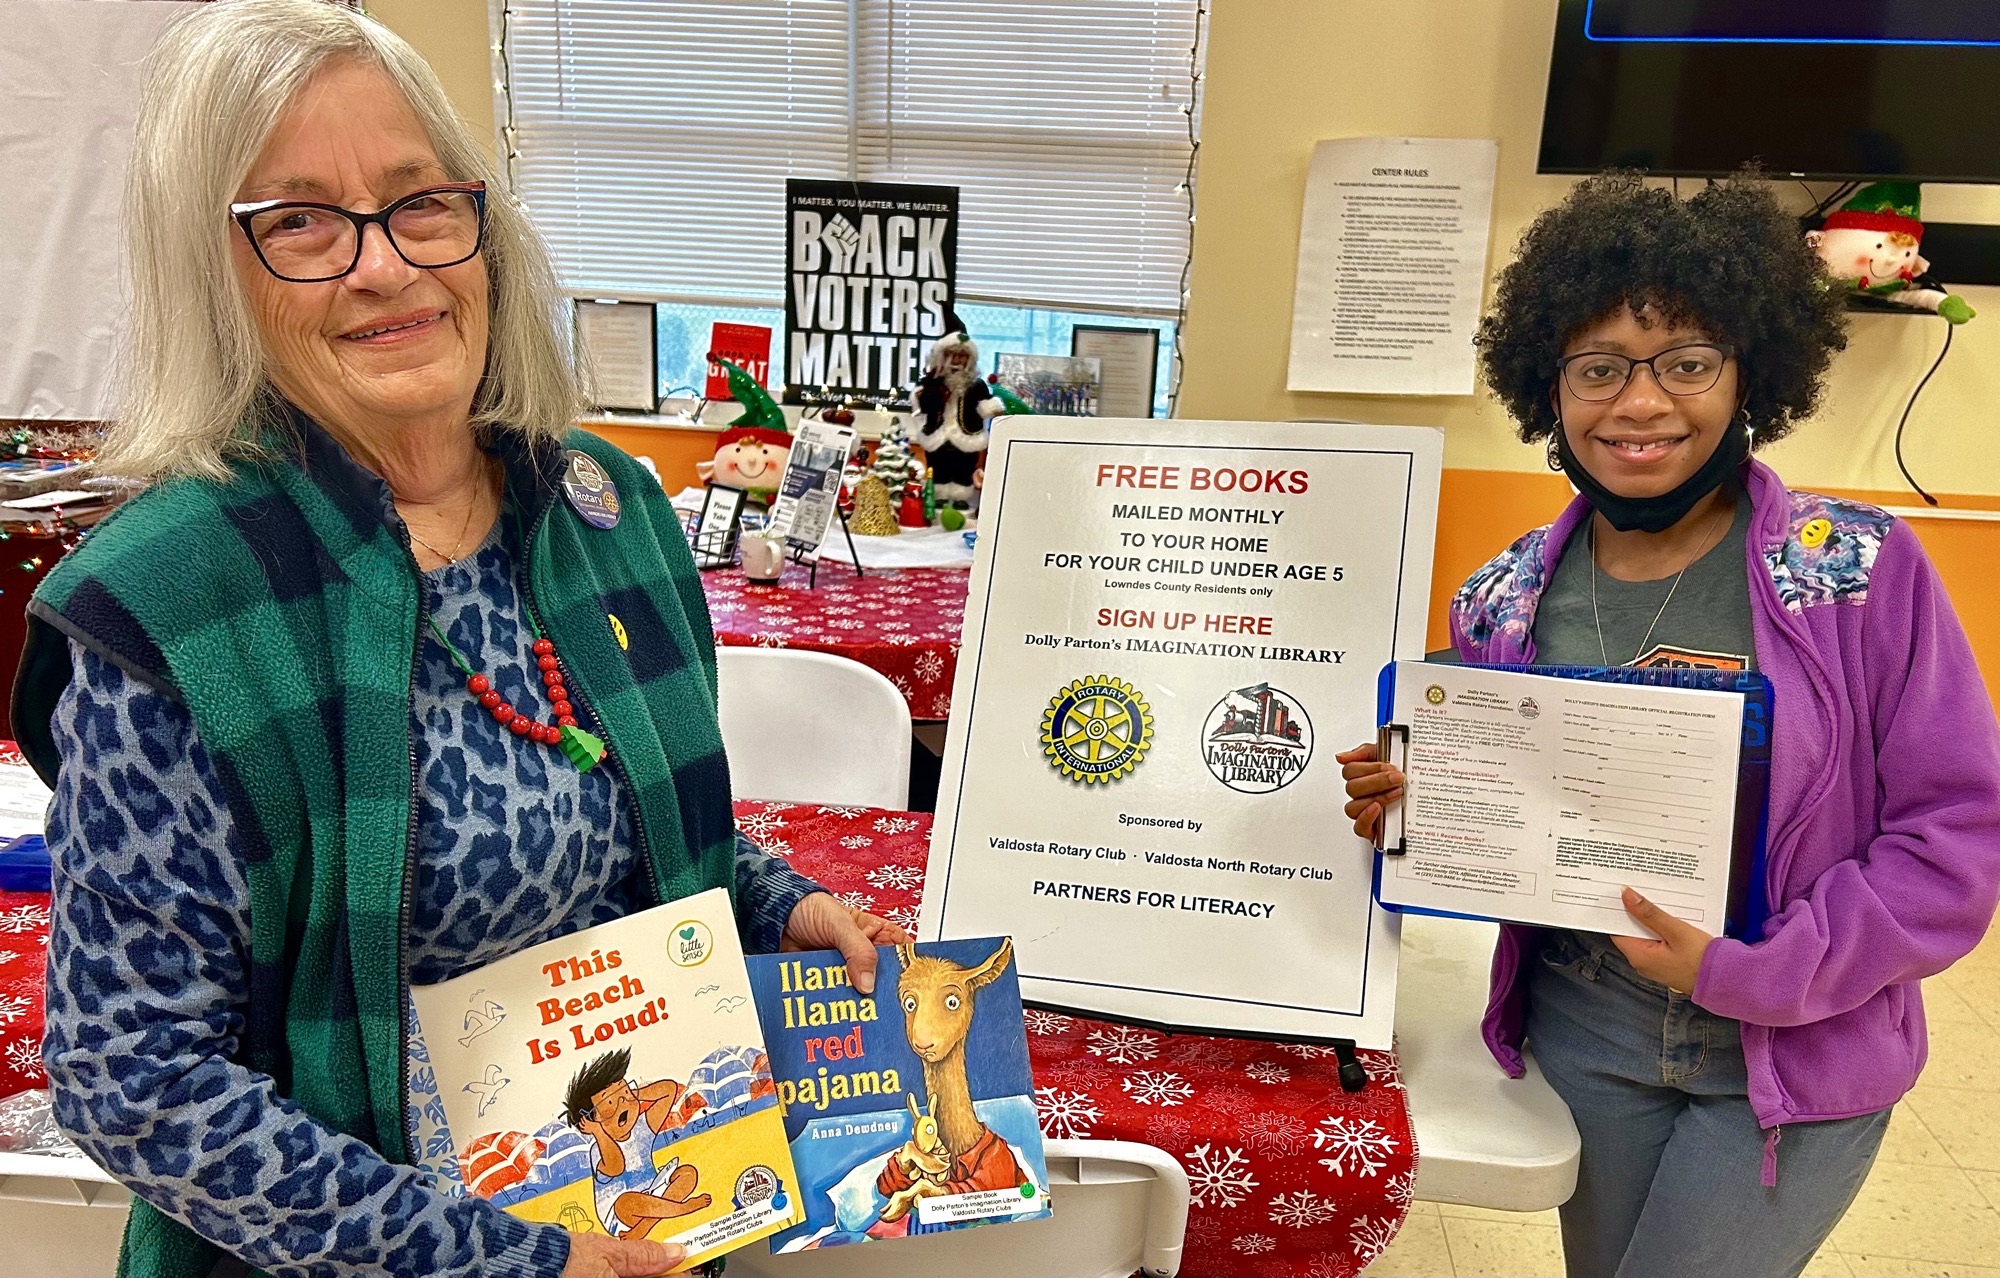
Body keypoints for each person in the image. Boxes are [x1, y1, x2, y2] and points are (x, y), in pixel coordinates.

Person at [18, 3, 905, 1276]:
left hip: (645, 1206)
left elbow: (616, 824)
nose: (384, 266)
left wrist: (775, 902)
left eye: (416, 201)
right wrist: (497, 1261)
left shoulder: (604, 507)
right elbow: (130, 1077)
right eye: (300, 223)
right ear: (215, 275)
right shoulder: (179, 608)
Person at [1339, 173, 2000, 1278]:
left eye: (1684, 362)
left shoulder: (1853, 570)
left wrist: (1753, 970)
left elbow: (1955, 839)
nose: (1637, 404)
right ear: (1548, 392)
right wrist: (1421, 800)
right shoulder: (1501, 598)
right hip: (1581, 1029)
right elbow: (1513, 814)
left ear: (1749, 373)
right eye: (1596, 368)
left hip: (1797, 1044)